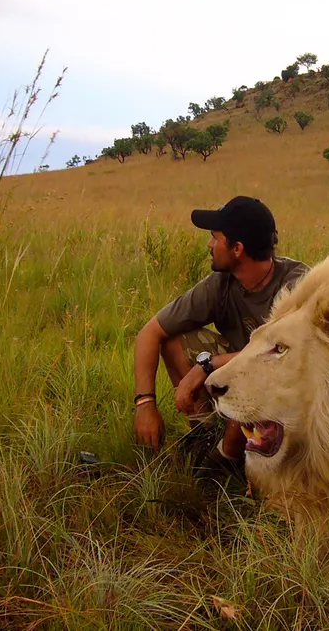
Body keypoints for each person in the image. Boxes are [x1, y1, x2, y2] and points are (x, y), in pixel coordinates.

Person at [132, 196, 309, 470]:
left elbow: (284, 358)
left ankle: (226, 460)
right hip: (239, 379)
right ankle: (204, 437)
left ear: (237, 248)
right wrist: (145, 404)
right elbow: (150, 332)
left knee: (251, 378)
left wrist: (208, 365)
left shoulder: (297, 287)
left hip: (282, 392)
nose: (209, 245)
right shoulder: (222, 283)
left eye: (215, 237)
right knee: (173, 340)